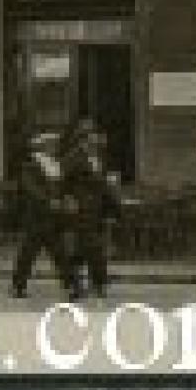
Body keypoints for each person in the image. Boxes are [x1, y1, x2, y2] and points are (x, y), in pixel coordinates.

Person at [10, 131, 79, 301]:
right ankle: (18, 286)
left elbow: (62, 186)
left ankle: (71, 286)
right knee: (28, 254)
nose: (55, 147)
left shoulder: (56, 165)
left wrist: (66, 198)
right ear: (43, 146)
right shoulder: (30, 165)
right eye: (51, 144)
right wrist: (48, 201)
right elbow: (31, 188)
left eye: (55, 144)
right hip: (36, 217)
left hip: (54, 217)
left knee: (60, 253)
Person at [63, 121, 123, 299]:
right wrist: (68, 199)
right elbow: (63, 182)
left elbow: (103, 184)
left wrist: (112, 206)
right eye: (92, 135)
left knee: (92, 248)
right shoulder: (73, 157)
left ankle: (95, 283)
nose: (96, 139)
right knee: (84, 248)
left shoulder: (98, 158)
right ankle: (82, 285)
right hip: (80, 209)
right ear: (83, 138)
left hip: (97, 209)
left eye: (95, 135)